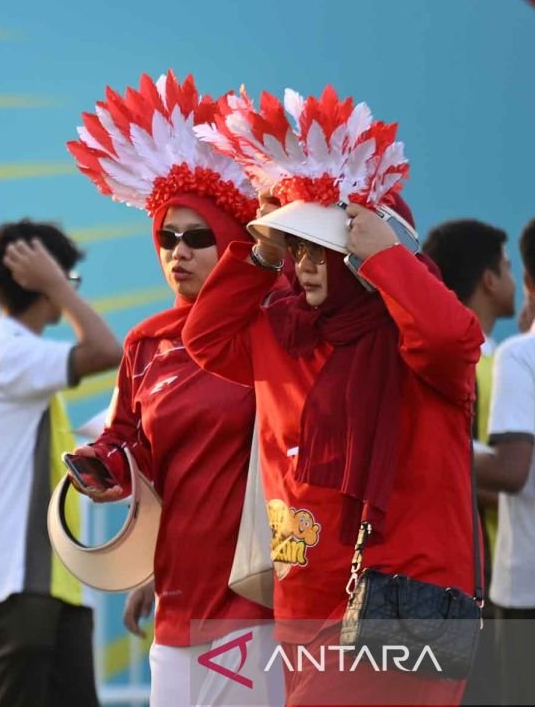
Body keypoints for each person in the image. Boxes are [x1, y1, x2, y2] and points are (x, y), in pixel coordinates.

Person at [185, 86, 480, 705]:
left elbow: (453, 339)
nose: (308, 264)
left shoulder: (414, 341)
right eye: (299, 247)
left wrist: (386, 257)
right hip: (305, 605)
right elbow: (206, 339)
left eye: (325, 247)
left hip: (401, 602)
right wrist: (262, 250)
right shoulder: (284, 331)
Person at [66, 71, 282, 707]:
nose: (177, 252)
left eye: (197, 237)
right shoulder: (145, 342)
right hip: (175, 602)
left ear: (236, 243)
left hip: (254, 604)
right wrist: (105, 465)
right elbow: (129, 441)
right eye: (166, 237)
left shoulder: (273, 330)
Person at [0, 218, 122, 707]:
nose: (68, 292)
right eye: (67, 280)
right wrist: (58, 283)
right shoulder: (5, 355)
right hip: (19, 582)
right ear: (42, 283)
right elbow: (105, 350)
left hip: (51, 582)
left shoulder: (18, 358)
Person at [423, 219, 516, 705]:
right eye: (507, 267)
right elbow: (476, 471)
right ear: (489, 280)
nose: (514, 279)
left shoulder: (485, 361)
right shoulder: (482, 365)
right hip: (483, 577)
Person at [475, 217, 535, 706]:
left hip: (525, 589)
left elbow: (512, 472)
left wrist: (432, 444)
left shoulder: (520, 355)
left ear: (530, 283)